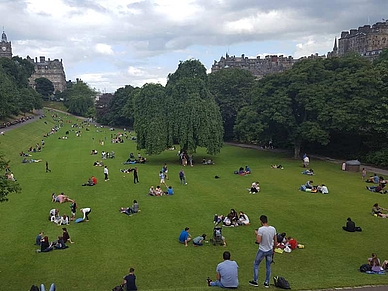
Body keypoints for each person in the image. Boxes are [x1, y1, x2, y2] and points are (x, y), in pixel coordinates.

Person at [249, 215, 277, 288]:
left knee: (256, 264)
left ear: (261, 221)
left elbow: (258, 241)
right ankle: (267, 282)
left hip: (262, 250)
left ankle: (255, 281)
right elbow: (275, 241)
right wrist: (273, 249)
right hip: (270, 250)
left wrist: (256, 234)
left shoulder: (261, 229)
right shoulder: (273, 229)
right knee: (268, 266)